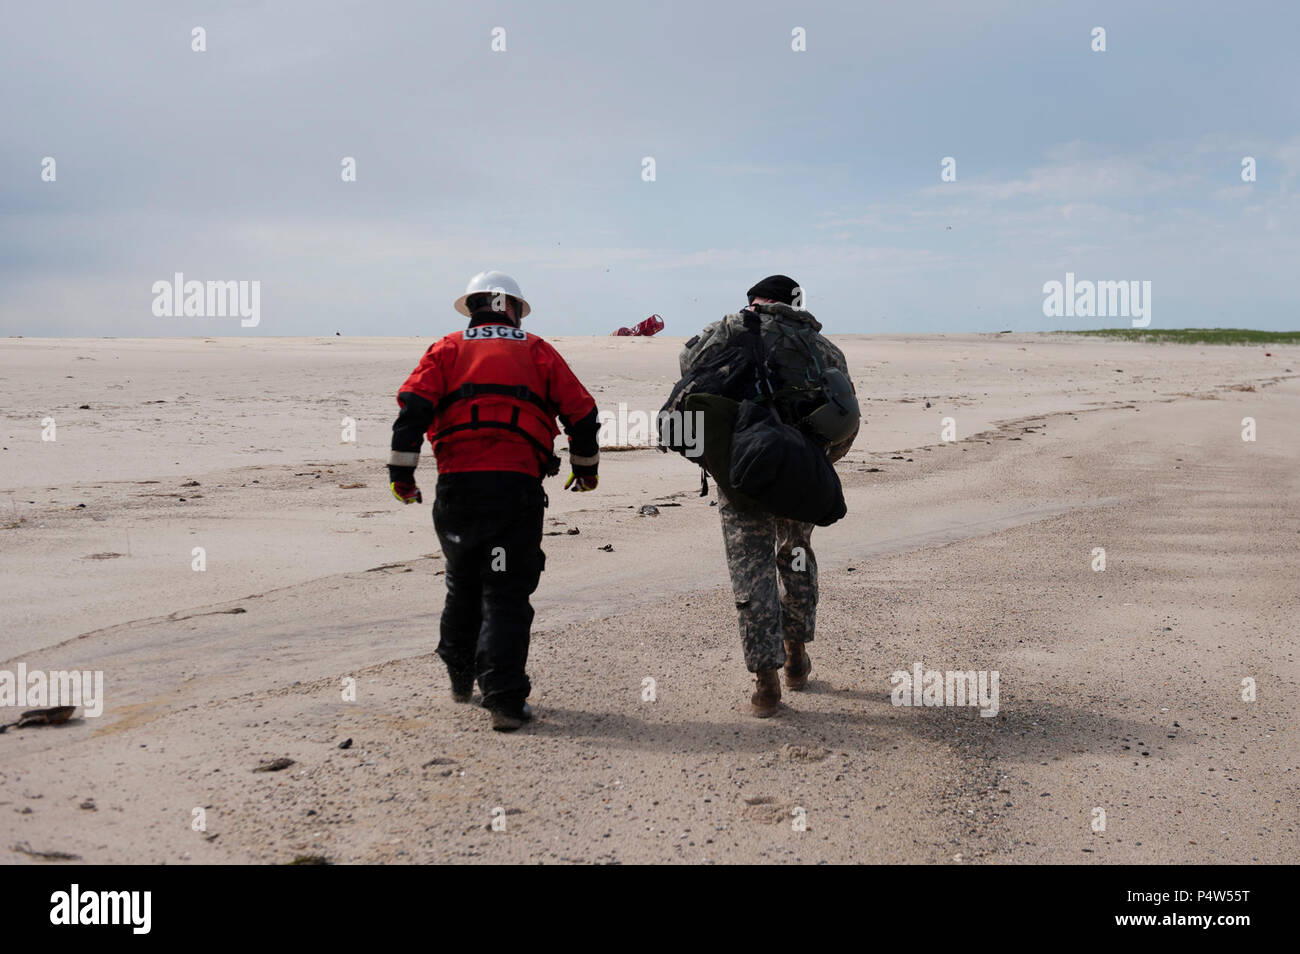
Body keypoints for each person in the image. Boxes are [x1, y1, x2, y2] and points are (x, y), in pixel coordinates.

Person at [388, 271, 600, 731]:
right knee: (504, 588)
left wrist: (401, 476)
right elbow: (583, 414)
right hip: (513, 492)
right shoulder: (538, 350)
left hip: (457, 491)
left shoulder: (445, 349)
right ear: (514, 309)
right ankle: (503, 699)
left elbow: (411, 412)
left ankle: (462, 679)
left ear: (476, 307)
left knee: (462, 582)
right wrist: (585, 469)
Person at [679, 275, 857, 717]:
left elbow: (687, 363)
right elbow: (847, 412)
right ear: (795, 302)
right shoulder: (825, 347)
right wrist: (824, 462)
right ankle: (796, 657)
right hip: (799, 469)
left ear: (754, 301)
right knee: (795, 555)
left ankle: (766, 684)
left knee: (751, 571)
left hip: (742, 467)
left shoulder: (728, 328)